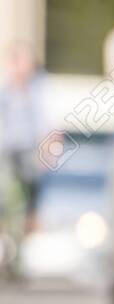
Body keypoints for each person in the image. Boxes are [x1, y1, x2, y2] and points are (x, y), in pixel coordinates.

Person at [0, 42, 49, 235]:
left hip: (29, 147)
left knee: (32, 187)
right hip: (7, 148)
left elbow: (45, 121)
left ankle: (30, 226)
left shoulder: (37, 90)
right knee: (4, 189)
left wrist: (46, 149)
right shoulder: (5, 89)